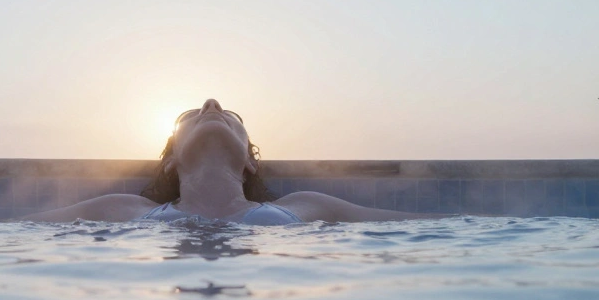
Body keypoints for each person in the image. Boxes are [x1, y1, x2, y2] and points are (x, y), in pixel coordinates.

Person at [23, 99, 434, 224]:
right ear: (170, 162)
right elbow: (9, 231)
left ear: (250, 163)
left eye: (232, 117)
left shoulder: (306, 206)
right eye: (189, 116)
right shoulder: (124, 210)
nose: (211, 104)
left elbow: (430, 226)